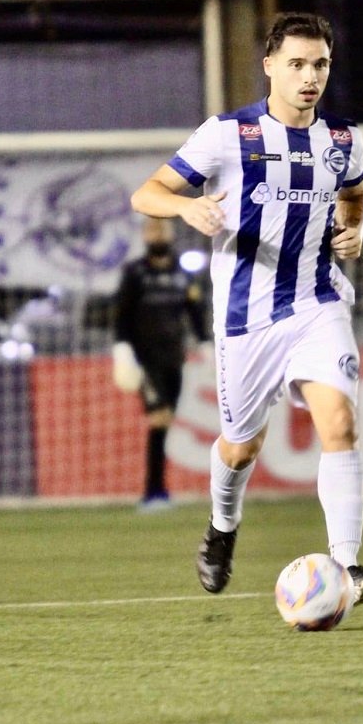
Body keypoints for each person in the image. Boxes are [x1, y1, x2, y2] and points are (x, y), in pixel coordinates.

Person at [129, 12, 363, 606]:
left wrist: (354, 230)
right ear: (270, 66)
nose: (309, 77)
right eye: (296, 64)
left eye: (320, 64)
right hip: (247, 318)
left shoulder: (343, 139)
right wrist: (186, 210)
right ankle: (222, 530)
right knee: (240, 447)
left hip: (318, 302)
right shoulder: (227, 134)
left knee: (341, 425)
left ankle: (347, 567)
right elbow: (147, 192)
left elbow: (356, 193)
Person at [111, 216, 209, 511]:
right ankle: (153, 492)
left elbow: (194, 309)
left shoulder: (183, 272)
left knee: (165, 422)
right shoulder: (136, 273)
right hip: (145, 360)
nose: (157, 234)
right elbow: (122, 315)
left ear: (170, 233)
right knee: (159, 418)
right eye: (152, 229)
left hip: (174, 359)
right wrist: (123, 349)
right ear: (144, 235)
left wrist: (205, 342)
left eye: (161, 229)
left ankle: (158, 491)